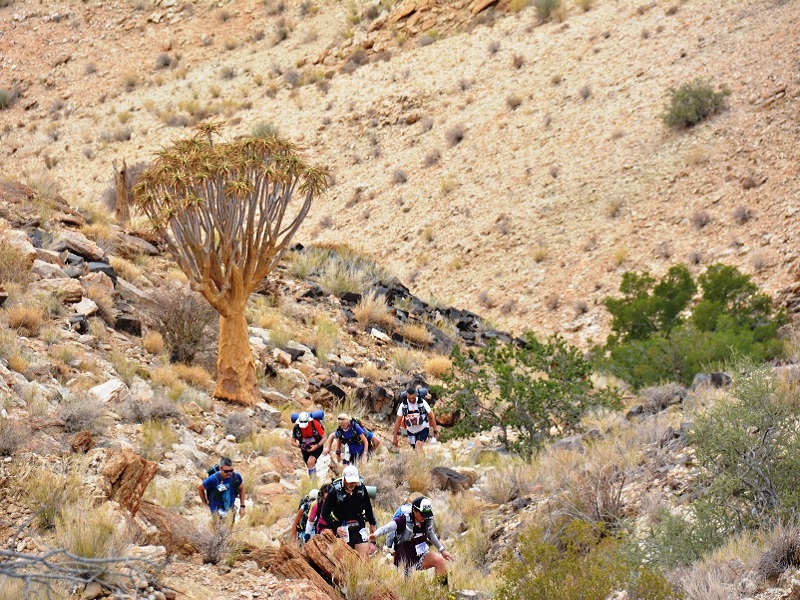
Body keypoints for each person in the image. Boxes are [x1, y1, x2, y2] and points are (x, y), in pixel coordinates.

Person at [369, 496, 453, 587]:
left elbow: (430, 534)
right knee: (408, 590)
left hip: (420, 557)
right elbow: (386, 528)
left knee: (439, 560)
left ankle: (443, 594)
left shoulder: (426, 520)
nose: (425, 518)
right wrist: (375, 535)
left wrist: (442, 550)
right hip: (404, 563)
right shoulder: (403, 520)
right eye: (422, 514)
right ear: (414, 510)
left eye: (427, 514)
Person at [321, 465, 377, 559]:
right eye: (349, 481)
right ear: (344, 479)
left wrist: (372, 523)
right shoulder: (334, 491)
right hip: (341, 529)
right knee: (344, 561)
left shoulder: (361, 489)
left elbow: (368, 507)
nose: (352, 484)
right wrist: (336, 528)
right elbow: (325, 513)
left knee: (363, 560)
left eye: (354, 481)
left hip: (358, 526)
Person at [392, 385, 439, 452]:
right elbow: (398, 421)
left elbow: (431, 416)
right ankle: (422, 461)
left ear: (416, 395)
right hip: (411, 432)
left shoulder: (422, 402)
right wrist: (395, 437)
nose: (411, 400)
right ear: (407, 397)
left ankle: (421, 462)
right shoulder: (403, 405)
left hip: (423, 429)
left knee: (418, 446)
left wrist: (435, 431)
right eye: (409, 398)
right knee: (415, 450)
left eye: (413, 398)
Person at [291, 411, 326, 478]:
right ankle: (314, 478)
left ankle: (313, 482)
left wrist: (316, 446)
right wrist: (300, 446)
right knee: (309, 464)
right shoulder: (297, 427)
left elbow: (324, 437)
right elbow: (292, 442)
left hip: (317, 446)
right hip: (304, 449)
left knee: (310, 462)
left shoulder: (315, 424)